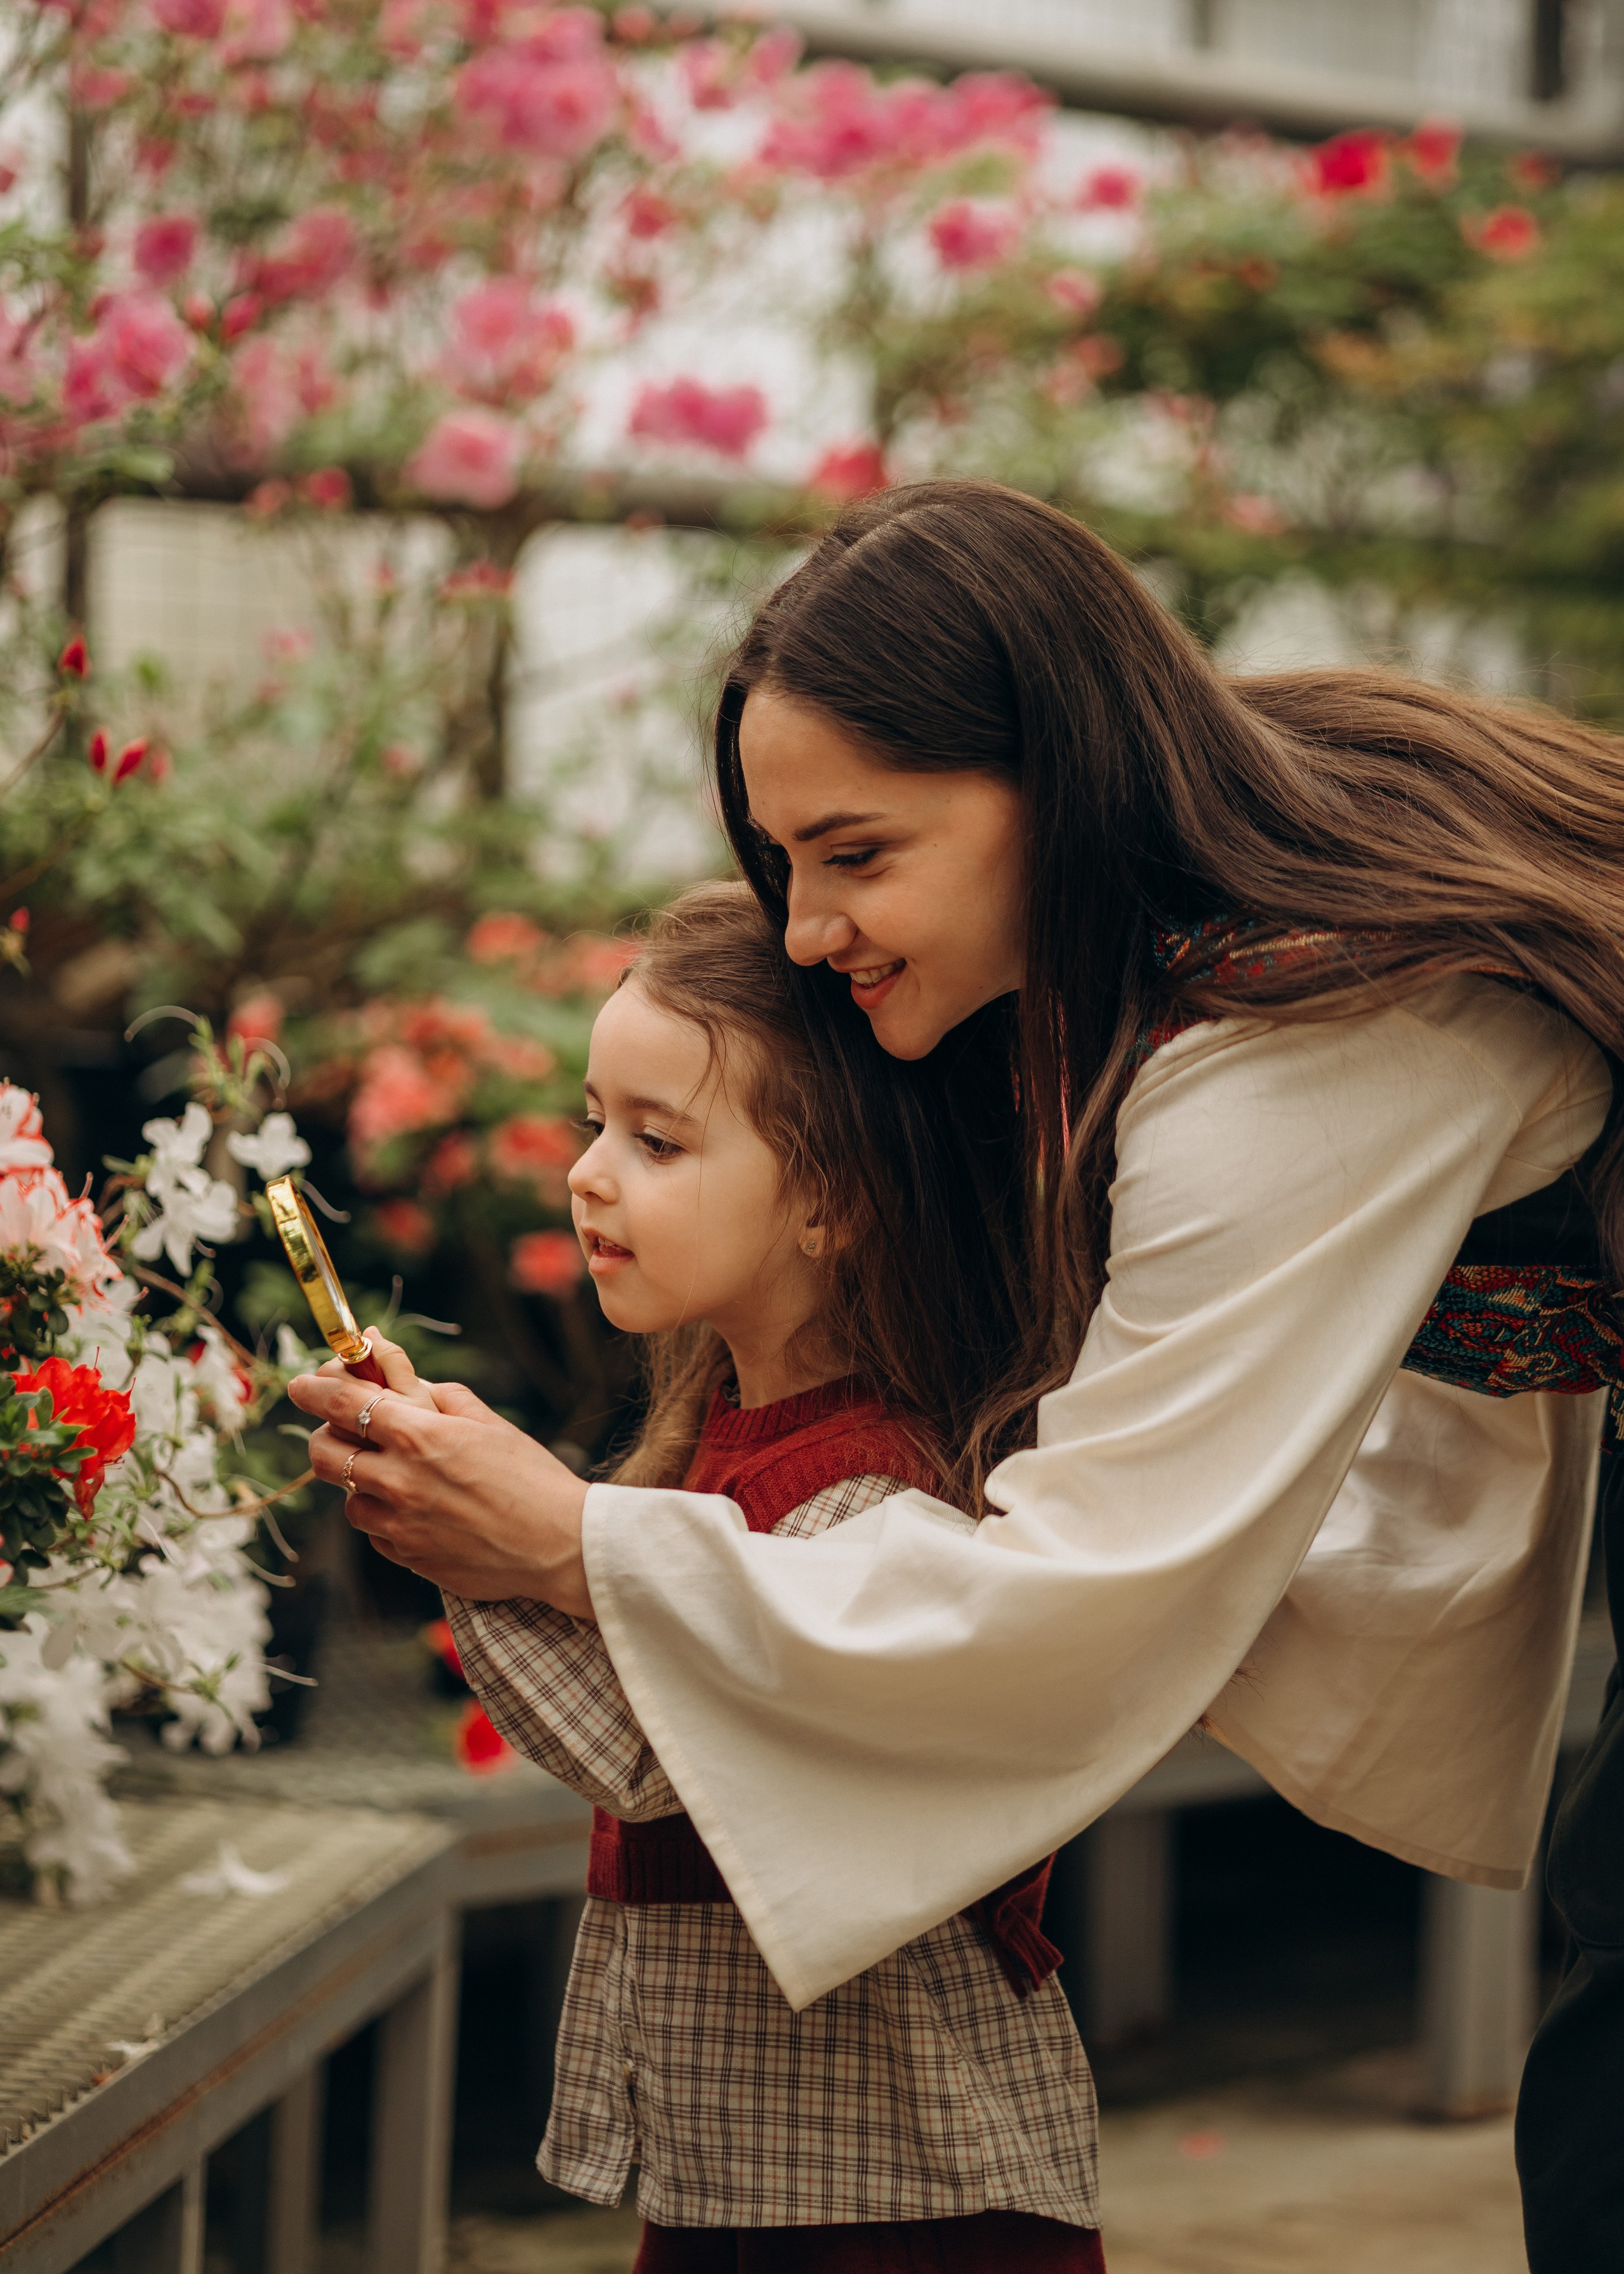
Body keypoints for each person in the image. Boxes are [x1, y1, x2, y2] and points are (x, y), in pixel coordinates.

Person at [291, 481, 1624, 2270]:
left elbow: (1083, 1594)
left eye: (857, 854)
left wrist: (566, 1539)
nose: (805, 927)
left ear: (1050, 782)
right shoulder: (1214, 884)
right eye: (785, 864)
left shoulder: (1294, 1023)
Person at [351, 883, 1104, 2272]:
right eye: (593, 1121)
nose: (589, 1173)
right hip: (748, 2177)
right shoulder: (716, 1440)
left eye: (656, 1140)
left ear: (830, 1200)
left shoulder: (877, 1491)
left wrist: (486, 1535)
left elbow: (673, 1749)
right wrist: (476, 1515)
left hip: (893, 2200)